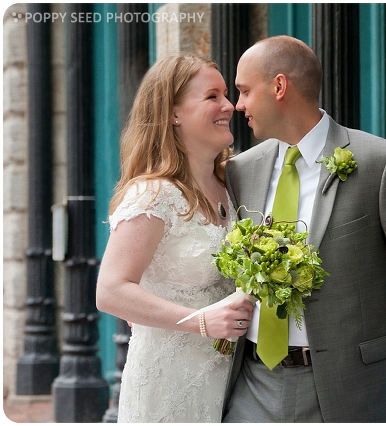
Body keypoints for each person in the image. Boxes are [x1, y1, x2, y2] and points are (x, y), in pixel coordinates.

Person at [220, 35, 386, 422]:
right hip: (252, 386)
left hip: (354, 388)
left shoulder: (380, 162)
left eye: (243, 91)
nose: (238, 105)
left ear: (278, 86)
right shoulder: (241, 170)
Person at [96, 55, 254, 422]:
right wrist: (199, 320)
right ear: (173, 113)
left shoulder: (236, 184)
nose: (229, 106)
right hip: (169, 385)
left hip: (234, 383)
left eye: (227, 95)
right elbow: (111, 291)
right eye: (212, 96)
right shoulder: (152, 195)